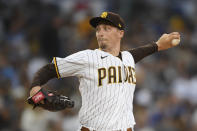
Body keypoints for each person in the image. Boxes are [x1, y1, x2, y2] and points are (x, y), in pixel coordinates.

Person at [29, 12, 180, 131]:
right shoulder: (88, 57)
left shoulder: (127, 58)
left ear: (120, 33)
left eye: (107, 29)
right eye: (98, 29)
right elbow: (49, 69)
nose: (100, 33)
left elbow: (136, 53)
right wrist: (34, 89)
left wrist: (158, 45)